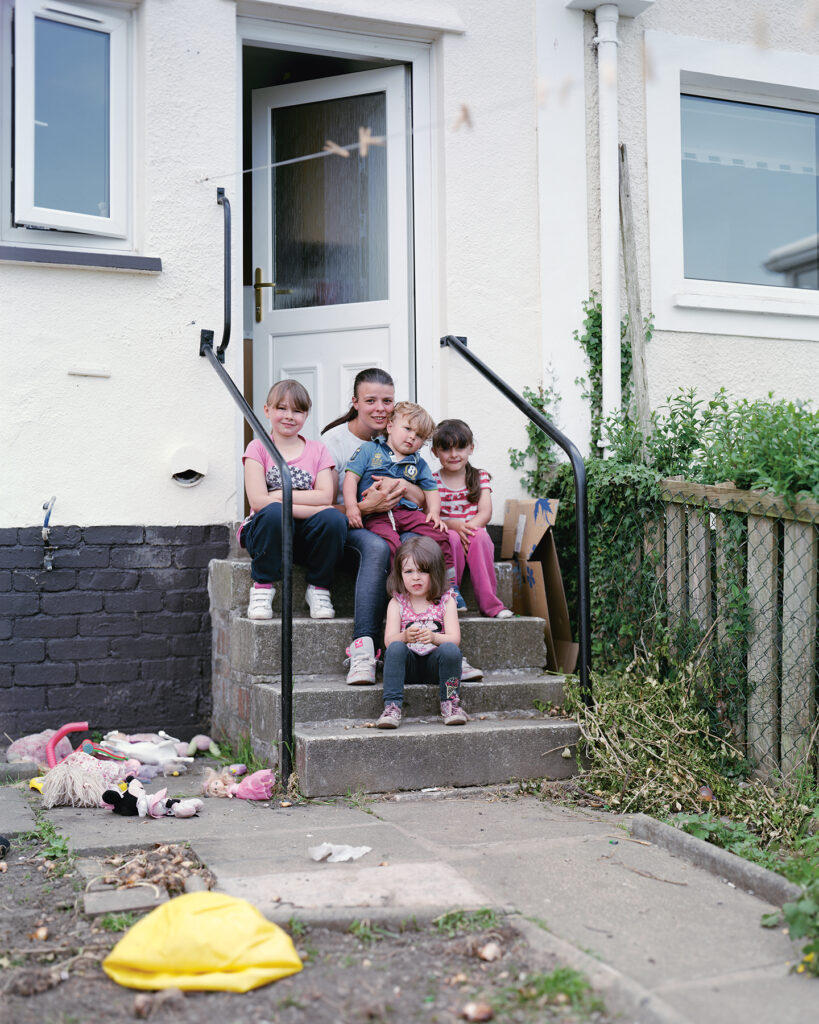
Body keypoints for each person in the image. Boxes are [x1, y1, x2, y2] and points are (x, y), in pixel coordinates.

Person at [322, 369, 483, 685]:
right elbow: (325, 506)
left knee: (422, 547)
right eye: (371, 400)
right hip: (356, 522)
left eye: (387, 401)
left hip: (402, 516)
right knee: (381, 548)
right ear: (355, 402)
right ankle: (364, 648)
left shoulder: (411, 452)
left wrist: (406, 490)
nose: (380, 408)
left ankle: (442, 644)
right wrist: (364, 507)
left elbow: (424, 496)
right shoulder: (339, 442)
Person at [240, 380, 347, 620]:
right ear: (267, 410)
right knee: (272, 513)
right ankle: (262, 588)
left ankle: (319, 588)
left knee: (333, 519)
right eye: (281, 408)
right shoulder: (258, 448)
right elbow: (258, 502)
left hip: (305, 539)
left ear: (306, 415)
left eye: (297, 410)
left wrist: (279, 495)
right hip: (268, 535)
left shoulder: (318, 450)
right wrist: (313, 507)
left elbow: (325, 497)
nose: (289, 416)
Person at [342, 401, 454, 573]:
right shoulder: (369, 450)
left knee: (440, 534)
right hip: (376, 515)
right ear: (390, 427)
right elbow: (351, 479)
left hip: (408, 513)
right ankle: (397, 585)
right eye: (408, 429)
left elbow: (431, 490)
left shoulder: (419, 463)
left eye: (419, 435)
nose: (412, 437)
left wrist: (434, 512)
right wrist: (351, 507)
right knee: (392, 546)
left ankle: (449, 580)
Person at [376, 536, 468, 729]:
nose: (415, 577)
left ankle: (450, 702)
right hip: (407, 667)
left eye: (423, 571)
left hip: (435, 666)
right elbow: (389, 640)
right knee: (395, 648)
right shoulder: (397, 603)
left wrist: (434, 637)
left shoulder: (446, 601)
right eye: (408, 571)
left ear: (435, 572)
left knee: (451, 650)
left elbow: (454, 639)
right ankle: (392, 706)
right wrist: (404, 636)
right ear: (400, 574)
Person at [432, 419, 514, 619]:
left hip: (474, 535)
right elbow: (432, 515)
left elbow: (485, 513)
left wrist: (466, 530)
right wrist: (455, 526)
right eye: (446, 449)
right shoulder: (432, 480)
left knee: (480, 537)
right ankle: (451, 596)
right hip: (448, 534)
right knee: (451, 537)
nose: (454, 455)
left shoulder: (479, 476)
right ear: (435, 452)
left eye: (460, 448)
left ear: (471, 448)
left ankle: (491, 605)